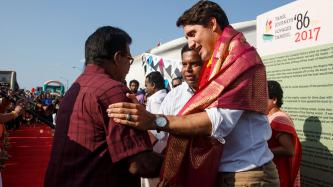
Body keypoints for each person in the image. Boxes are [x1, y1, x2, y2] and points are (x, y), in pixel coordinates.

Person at [107, 1, 279, 187]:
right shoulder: (220, 64)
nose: (190, 44)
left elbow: (217, 122)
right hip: (229, 172)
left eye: (192, 34)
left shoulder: (241, 60)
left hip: (247, 175)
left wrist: (154, 120)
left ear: (212, 24)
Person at [44, 26, 162, 187]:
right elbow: (139, 164)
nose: (129, 66)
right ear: (118, 57)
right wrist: (181, 163)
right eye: (129, 59)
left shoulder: (74, 89)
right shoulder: (113, 91)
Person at [267, 80, 301, 187]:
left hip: (280, 174)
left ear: (274, 99)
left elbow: (288, 149)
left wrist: (261, 151)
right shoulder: (270, 117)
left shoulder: (280, 118)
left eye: (263, 98)